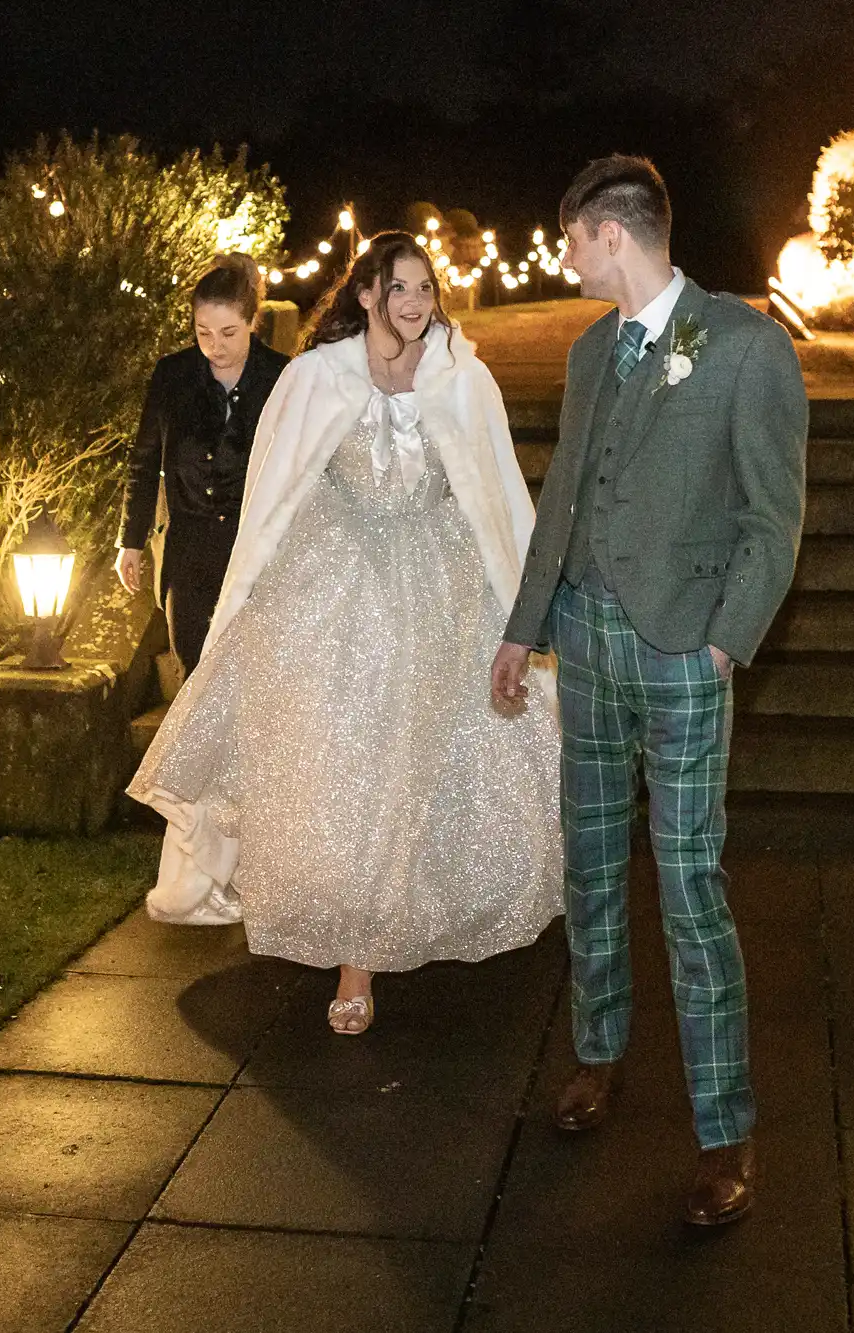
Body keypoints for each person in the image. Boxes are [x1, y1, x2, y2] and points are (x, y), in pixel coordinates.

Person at [130, 231, 563, 1033]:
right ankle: (356, 961)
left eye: (425, 289)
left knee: (424, 762)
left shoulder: (462, 377)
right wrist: (256, 594)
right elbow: (278, 490)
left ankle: (414, 914)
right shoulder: (316, 378)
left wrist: (522, 601)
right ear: (366, 294)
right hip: (344, 593)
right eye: (399, 288)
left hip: (441, 588)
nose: (414, 303)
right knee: (354, 765)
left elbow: (494, 487)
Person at [491, 155, 807, 1226]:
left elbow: (774, 519)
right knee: (588, 864)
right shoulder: (588, 356)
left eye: (570, 240)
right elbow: (561, 502)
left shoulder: (746, 349)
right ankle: (596, 1055)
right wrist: (521, 628)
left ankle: (723, 1129)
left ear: (610, 235)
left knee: (687, 889)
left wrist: (724, 642)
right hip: (581, 636)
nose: (564, 255)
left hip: (682, 653)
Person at [117, 253, 290, 674]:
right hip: (188, 550)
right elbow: (143, 461)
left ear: (252, 321)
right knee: (193, 670)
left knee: (253, 674)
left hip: (256, 548)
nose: (216, 346)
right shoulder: (172, 375)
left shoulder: (283, 377)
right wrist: (131, 540)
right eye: (203, 333)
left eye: (229, 332)